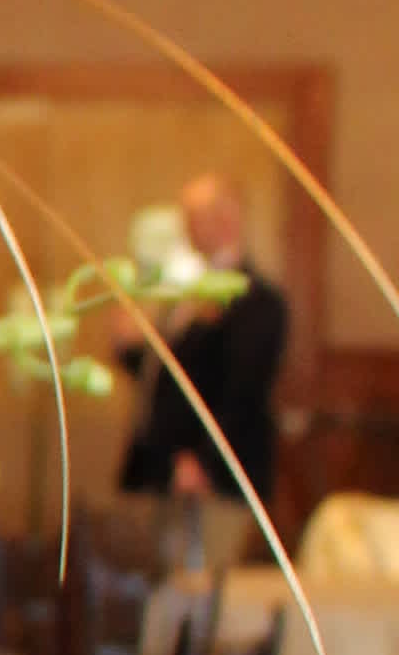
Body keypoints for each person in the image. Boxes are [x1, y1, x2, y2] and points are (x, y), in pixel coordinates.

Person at [120, 174, 288, 512]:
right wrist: (129, 347)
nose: (186, 228)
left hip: (210, 476)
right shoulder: (184, 291)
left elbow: (243, 391)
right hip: (164, 466)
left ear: (226, 220)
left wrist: (205, 460)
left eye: (194, 218)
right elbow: (168, 374)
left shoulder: (258, 301)